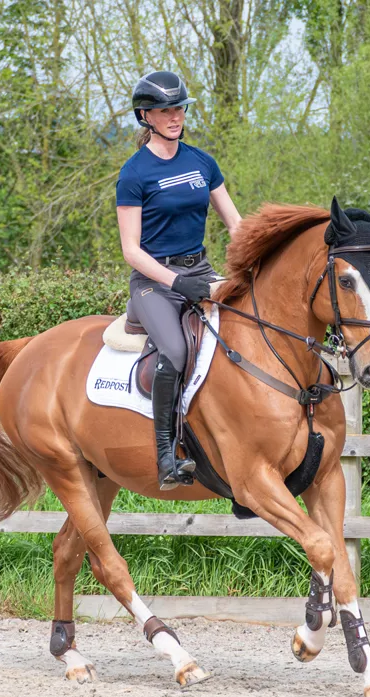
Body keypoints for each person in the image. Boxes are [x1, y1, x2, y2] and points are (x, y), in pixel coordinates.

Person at [116, 70, 242, 490]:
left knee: (251, 325)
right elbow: (131, 249)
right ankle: (167, 455)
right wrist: (175, 280)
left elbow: (235, 224)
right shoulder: (134, 173)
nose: (175, 117)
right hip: (154, 281)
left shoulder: (202, 162)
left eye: (180, 108)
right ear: (145, 116)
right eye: (166, 110)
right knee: (174, 349)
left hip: (202, 270)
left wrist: (255, 259)